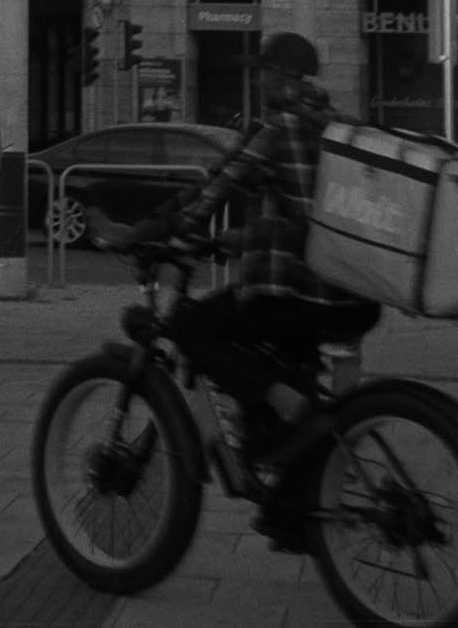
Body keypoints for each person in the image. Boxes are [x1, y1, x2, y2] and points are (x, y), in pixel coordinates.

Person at [153, 30, 378, 551]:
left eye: (263, 72)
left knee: (190, 326)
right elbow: (305, 217)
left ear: (284, 78)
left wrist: (170, 229)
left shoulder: (278, 129)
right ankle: (293, 513)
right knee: (293, 388)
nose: (257, 81)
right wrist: (241, 239)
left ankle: (282, 402)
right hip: (354, 297)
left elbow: (217, 186)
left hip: (297, 297)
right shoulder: (346, 129)